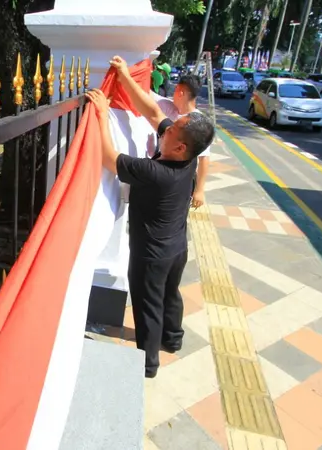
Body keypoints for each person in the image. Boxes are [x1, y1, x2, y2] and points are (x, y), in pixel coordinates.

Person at [85, 56, 215, 378]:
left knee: (148, 306)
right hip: (176, 250)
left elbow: (107, 157)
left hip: (152, 257)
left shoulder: (154, 171)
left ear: (181, 146)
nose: (170, 125)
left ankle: (148, 364)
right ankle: (174, 338)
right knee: (170, 295)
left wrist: (102, 114)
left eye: (177, 128)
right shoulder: (186, 160)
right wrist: (126, 77)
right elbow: (154, 112)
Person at [151, 74, 211, 209]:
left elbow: (204, 159)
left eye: (175, 90)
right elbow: (147, 95)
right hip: (160, 171)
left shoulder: (198, 123)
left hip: (181, 179)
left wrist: (199, 191)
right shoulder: (167, 107)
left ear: (180, 92)